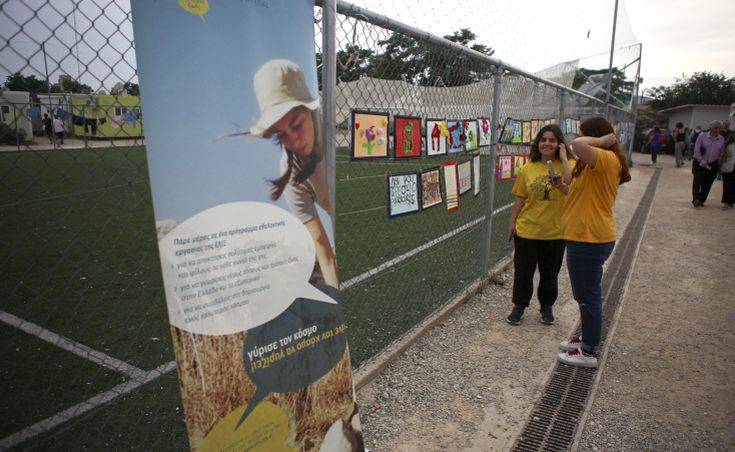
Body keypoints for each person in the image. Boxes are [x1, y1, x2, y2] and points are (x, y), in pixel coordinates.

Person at [248, 59, 339, 289]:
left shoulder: (335, 141)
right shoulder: (290, 173)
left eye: (296, 125)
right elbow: (323, 250)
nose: (293, 141)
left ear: (312, 112)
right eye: (281, 135)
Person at [555, 117, 631, 368]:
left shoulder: (607, 159)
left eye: (585, 133)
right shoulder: (593, 163)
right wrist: (561, 182)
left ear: (596, 136)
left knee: (588, 297)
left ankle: (588, 351)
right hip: (584, 236)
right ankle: (587, 339)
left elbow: (578, 144)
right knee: (584, 294)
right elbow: (575, 190)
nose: (579, 137)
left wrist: (600, 141)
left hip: (590, 238)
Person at [506, 125, 574, 326]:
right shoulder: (528, 168)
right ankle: (519, 306)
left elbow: (573, 188)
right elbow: (520, 199)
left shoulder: (568, 165)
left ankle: (546, 306)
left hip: (555, 232)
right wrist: (512, 222)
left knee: (550, 274)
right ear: (538, 143)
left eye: (552, 140)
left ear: (559, 143)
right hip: (528, 230)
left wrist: (563, 156)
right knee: (523, 273)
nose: (547, 143)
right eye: (543, 139)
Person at [692, 121, 725, 207]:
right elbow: (696, 150)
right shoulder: (702, 136)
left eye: (719, 128)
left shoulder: (721, 139)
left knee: (708, 183)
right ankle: (696, 198)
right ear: (711, 127)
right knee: (697, 181)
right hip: (699, 163)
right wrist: (702, 161)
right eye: (715, 127)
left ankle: (702, 200)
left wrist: (718, 162)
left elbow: (722, 152)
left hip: (712, 164)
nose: (717, 130)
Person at [721, 130, 735, 209]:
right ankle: (725, 202)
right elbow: (723, 157)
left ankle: (731, 201)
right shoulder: (727, 145)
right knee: (727, 185)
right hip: (727, 167)